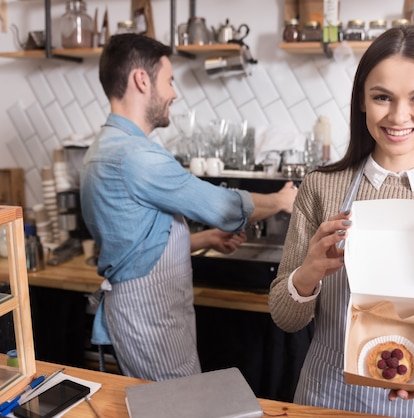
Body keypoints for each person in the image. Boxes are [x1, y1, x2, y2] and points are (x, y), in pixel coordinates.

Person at [268, 26, 414, 418]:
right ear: (362, 101)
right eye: (382, 97)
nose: (399, 116)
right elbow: (285, 317)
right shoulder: (321, 188)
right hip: (328, 398)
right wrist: (307, 273)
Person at [80, 33, 297, 381]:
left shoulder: (106, 147)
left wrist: (206, 239)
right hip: (151, 317)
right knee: (177, 406)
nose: (173, 92)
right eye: (168, 80)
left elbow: (137, 245)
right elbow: (225, 208)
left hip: (142, 312)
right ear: (141, 80)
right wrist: (282, 200)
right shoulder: (135, 157)